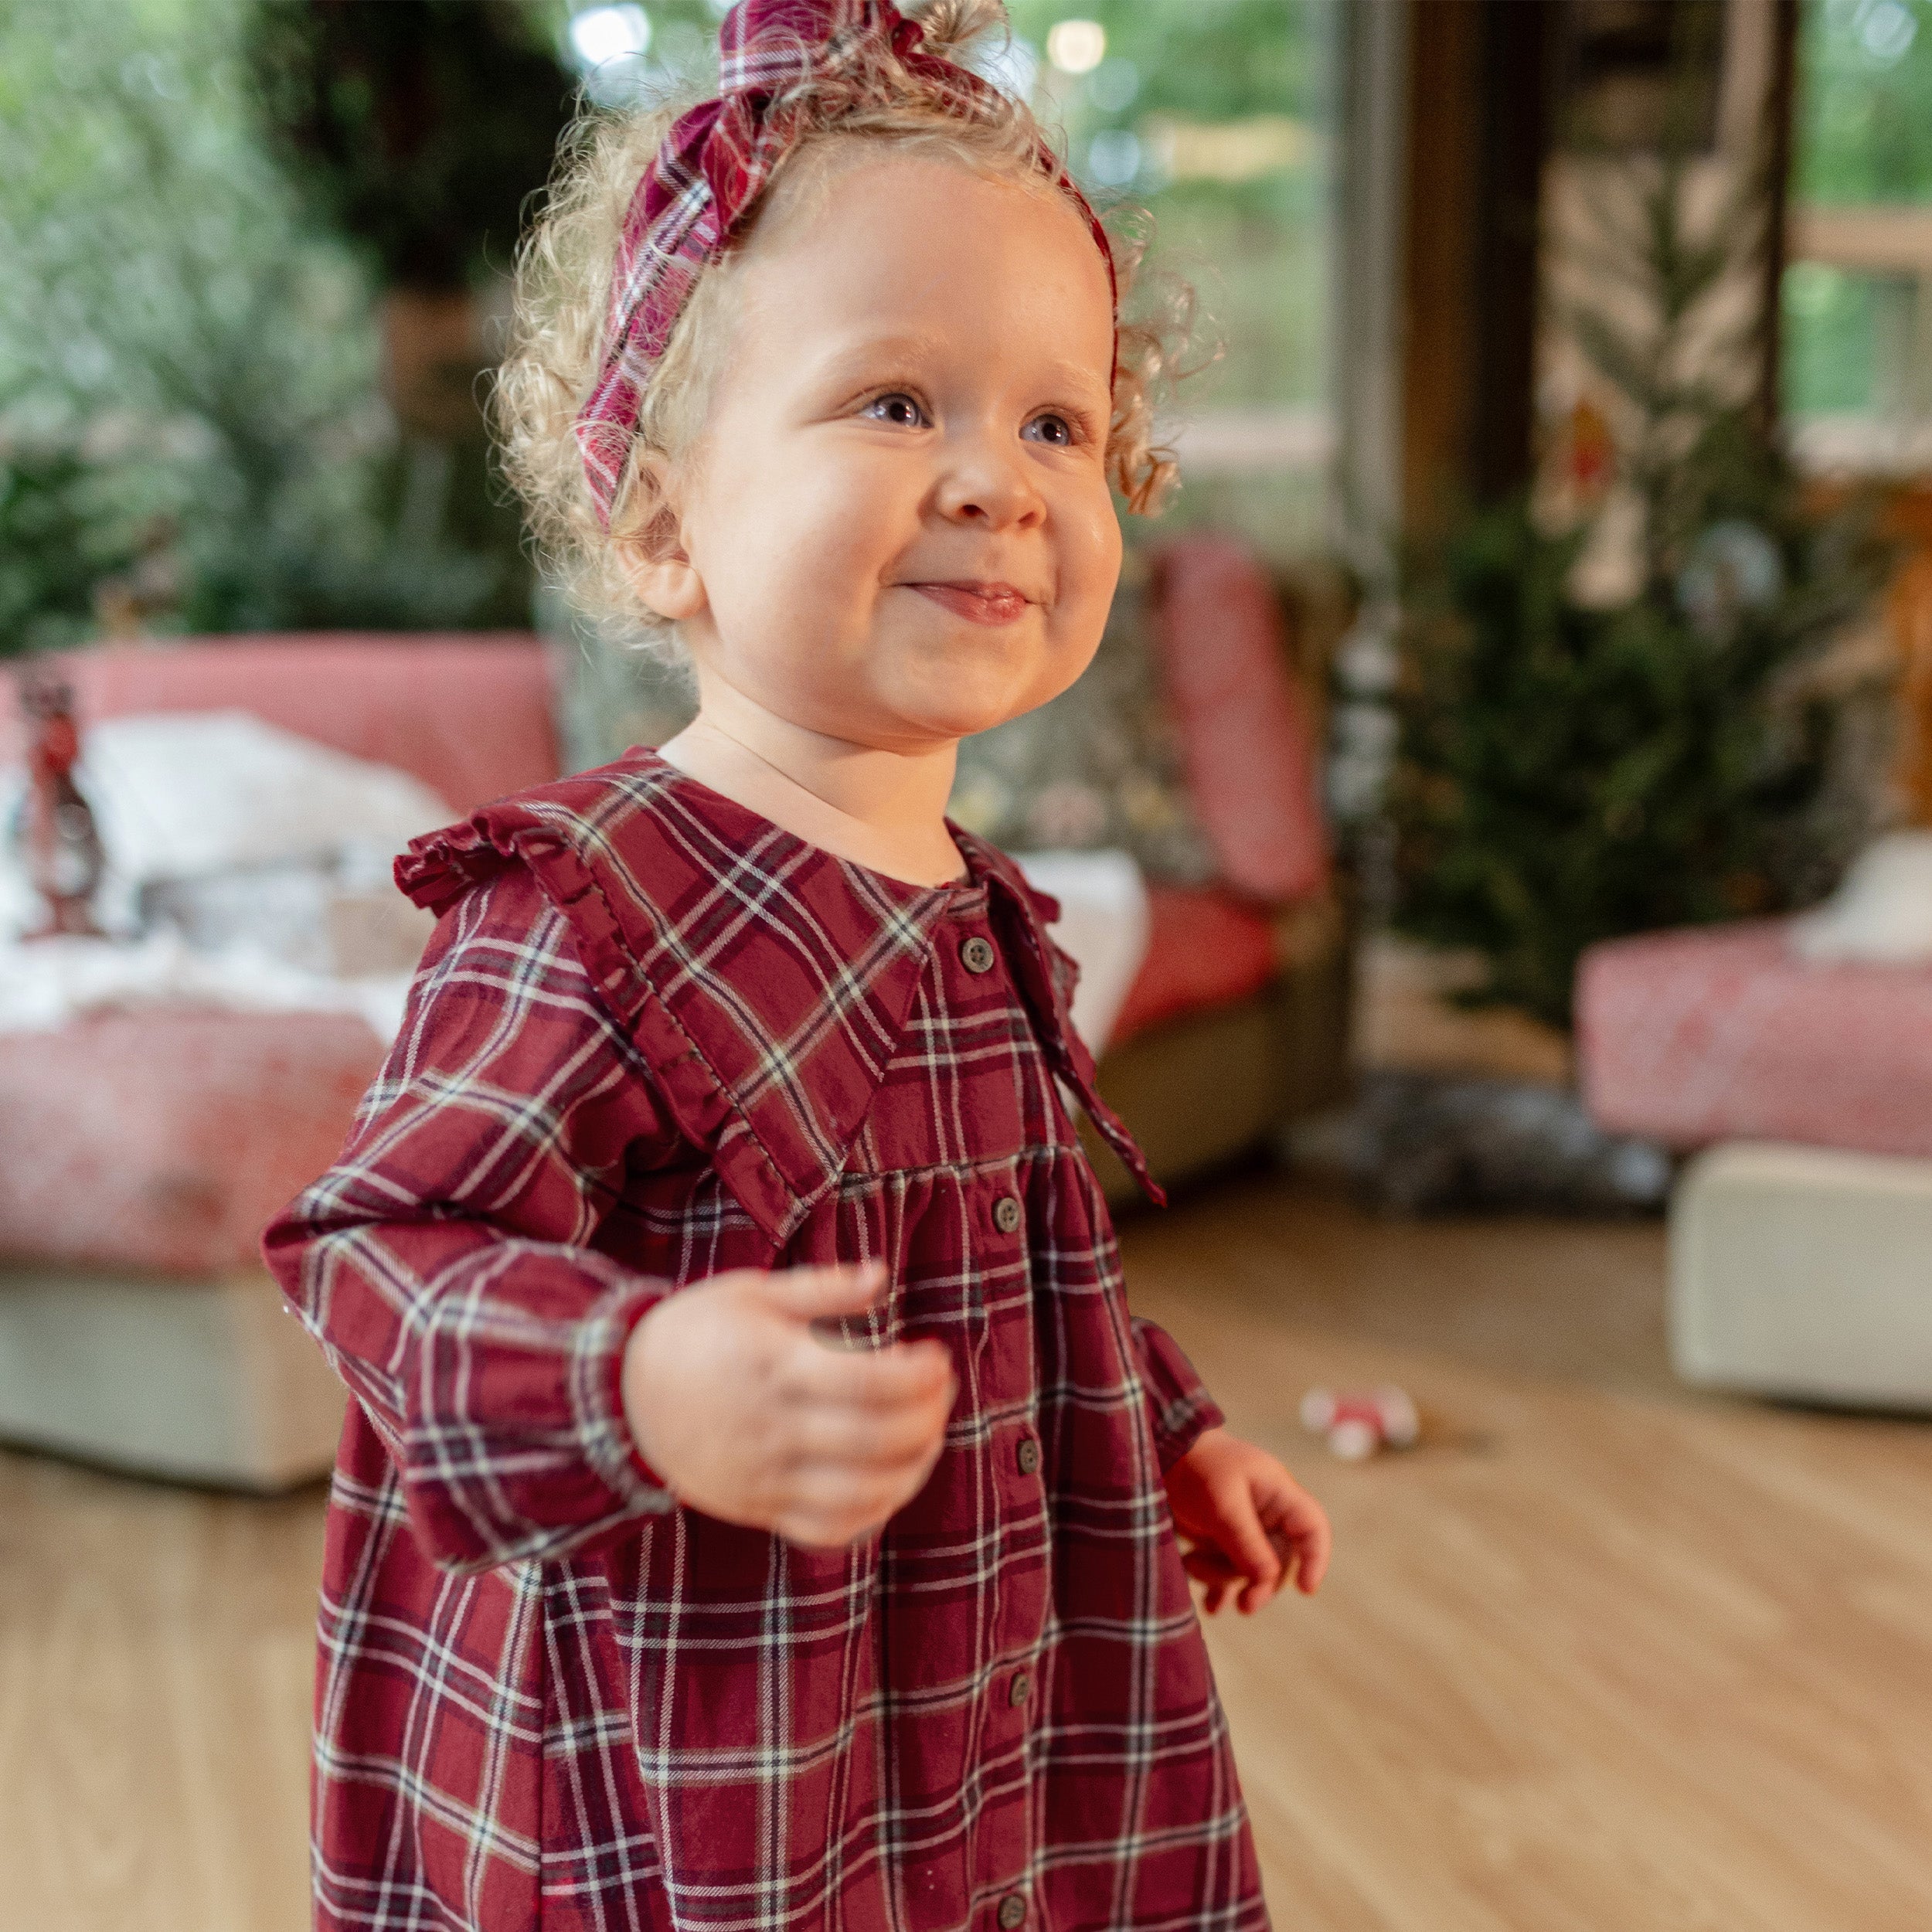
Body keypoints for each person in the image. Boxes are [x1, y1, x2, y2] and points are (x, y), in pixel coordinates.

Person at [264, 4, 1331, 1927]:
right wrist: (632, 1372)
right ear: (662, 521)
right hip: (705, 1729)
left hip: (979, 1689)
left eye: (1057, 422)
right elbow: (379, 1254)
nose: (999, 479)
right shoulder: (586, 905)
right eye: (896, 403)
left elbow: (1016, 1267)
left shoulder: (977, 906)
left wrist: (1170, 1430)